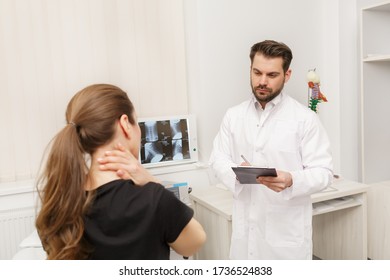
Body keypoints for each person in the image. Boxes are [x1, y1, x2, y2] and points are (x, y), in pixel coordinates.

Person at [35, 84, 206, 260]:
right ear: (125, 123)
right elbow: (194, 243)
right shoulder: (153, 199)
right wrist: (152, 181)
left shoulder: (60, 200)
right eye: (136, 121)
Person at [209, 40, 333, 260]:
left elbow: (324, 173)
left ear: (287, 75)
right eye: (257, 73)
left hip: (286, 240)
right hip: (245, 235)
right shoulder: (233, 116)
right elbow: (218, 158)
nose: (262, 81)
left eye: (272, 75)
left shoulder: (305, 119)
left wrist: (292, 179)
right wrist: (237, 173)